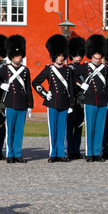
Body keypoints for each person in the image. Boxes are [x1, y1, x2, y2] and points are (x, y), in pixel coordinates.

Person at [32, 34, 75, 162]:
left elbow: (71, 89)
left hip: (64, 103)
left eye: (62, 55)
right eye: (59, 55)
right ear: (54, 55)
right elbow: (36, 82)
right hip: (52, 103)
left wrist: (72, 104)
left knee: (62, 129)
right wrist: (44, 93)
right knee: (53, 130)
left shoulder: (68, 70)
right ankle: (53, 153)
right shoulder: (49, 69)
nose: (61, 58)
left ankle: (61, 153)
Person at [0, 34, 34, 163]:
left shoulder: (25, 70)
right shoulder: (5, 69)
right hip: (10, 103)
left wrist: (30, 105)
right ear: (12, 56)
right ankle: (9, 154)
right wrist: (1, 85)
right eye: (16, 55)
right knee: (9, 130)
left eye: (20, 55)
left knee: (19, 131)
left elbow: (28, 87)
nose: (19, 57)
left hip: (22, 104)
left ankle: (17, 153)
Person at [74, 35, 108, 162]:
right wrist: (81, 84)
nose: (98, 55)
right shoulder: (84, 67)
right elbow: (73, 76)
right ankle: (89, 153)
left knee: (100, 128)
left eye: (100, 52)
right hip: (90, 100)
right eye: (96, 52)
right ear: (92, 53)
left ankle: (97, 152)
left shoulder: (105, 69)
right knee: (90, 127)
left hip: (102, 101)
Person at [66, 36, 86, 160]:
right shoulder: (68, 68)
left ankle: (76, 150)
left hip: (81, 102)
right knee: (69, 127)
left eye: (80, 55)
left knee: (78, 127)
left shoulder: (84, 68)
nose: (79, 57)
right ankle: (69, 150)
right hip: (70, 101)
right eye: (76, 55)